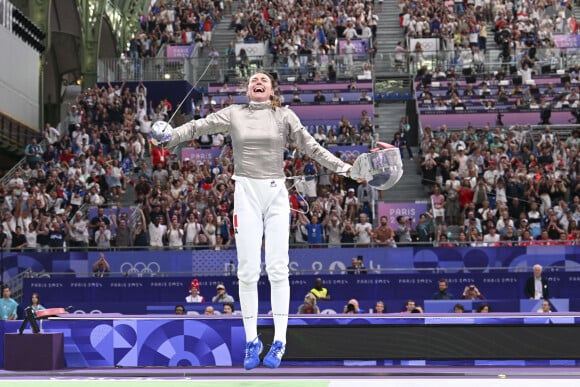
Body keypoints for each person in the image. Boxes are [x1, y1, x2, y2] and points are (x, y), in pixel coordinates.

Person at [156, 71, 354, 370]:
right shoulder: (234, 113)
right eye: (252, 80)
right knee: (247, 271)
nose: (257, 82)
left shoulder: (284, 115)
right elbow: (199, 126)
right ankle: (252, 341)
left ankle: (279, 342)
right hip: (246, 193)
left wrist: (346, 169)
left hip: (275, 194)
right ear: (248, 90)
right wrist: (171, 135)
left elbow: (312, 147)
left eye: (263, 80)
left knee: (277, 268)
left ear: (272, 90)